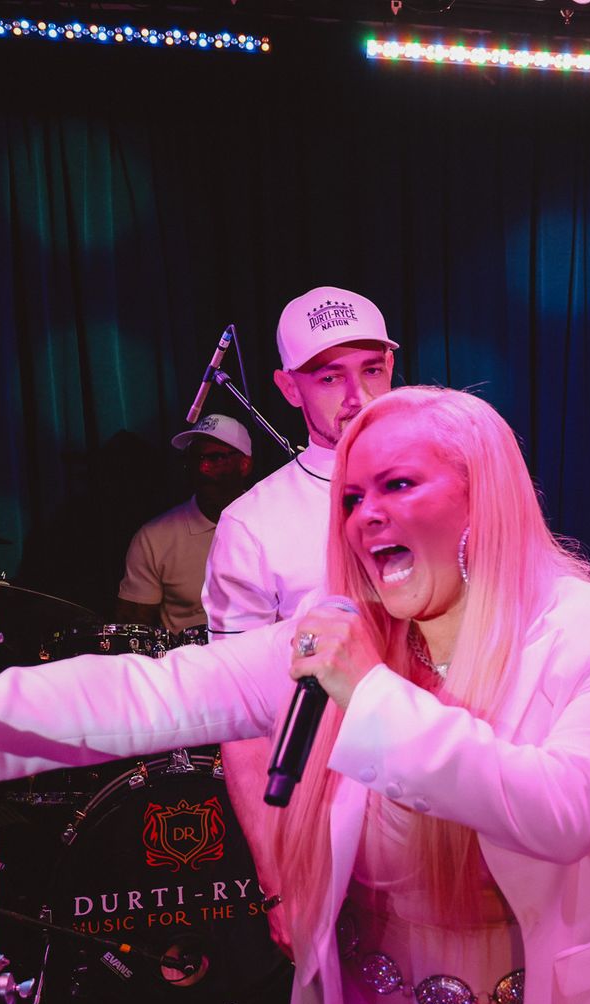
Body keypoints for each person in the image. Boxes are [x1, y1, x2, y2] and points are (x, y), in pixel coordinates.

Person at [0, 387, 590, 1004]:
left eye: (398, 485)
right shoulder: (342, 633)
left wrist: (371, 691)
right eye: (351, 497)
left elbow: (565, 810)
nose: (364, 515)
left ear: (483, 496)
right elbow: (151, 693)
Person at [203, 285, 399, 943]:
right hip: (334, 815)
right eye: (329, 376)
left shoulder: (457, 486)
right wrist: (276, 874)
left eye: (372, 369)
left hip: (459, 799)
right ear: (289, 388)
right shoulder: (254, 524)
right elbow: (241, 720)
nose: (358, 395)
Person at [116, 414, 254, 631]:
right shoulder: (155, 538)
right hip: (191, 651)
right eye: (195, 459)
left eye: (216, 458)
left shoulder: (274, 524)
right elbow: (133, 628)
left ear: (244, 464)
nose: (203, 468)